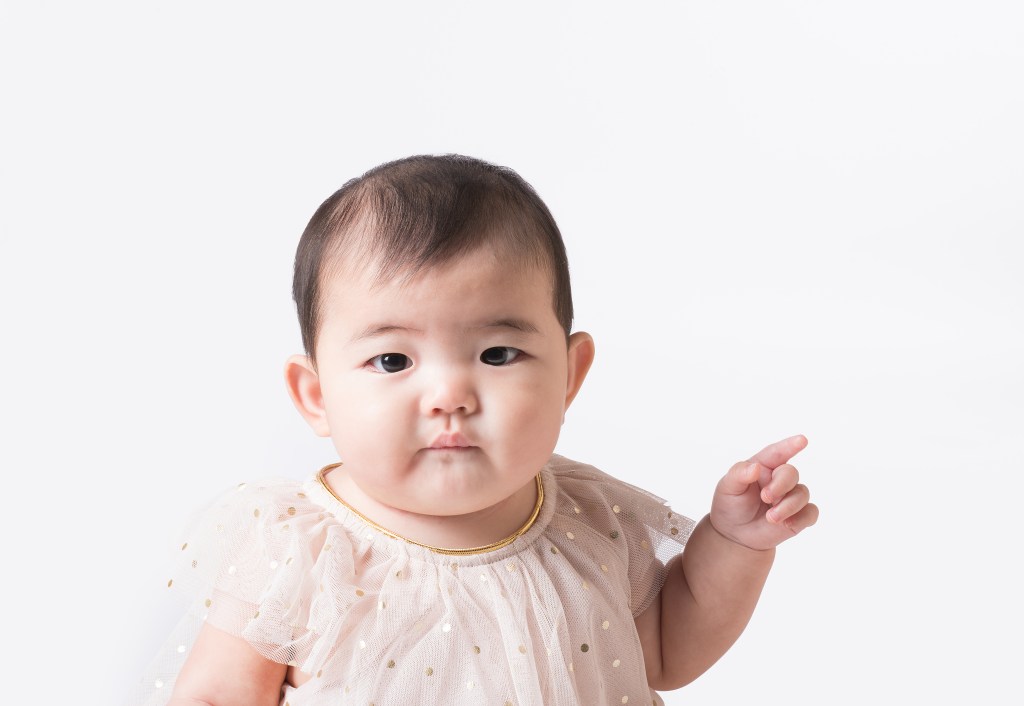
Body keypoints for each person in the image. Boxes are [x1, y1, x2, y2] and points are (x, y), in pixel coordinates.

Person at [130, 154, 818, 706]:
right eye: (393, 360)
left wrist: (735, 543)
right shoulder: (299, 551)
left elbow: (667, 650)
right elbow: (217, 695)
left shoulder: (591, 521)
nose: (450, 396)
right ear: (316, 397)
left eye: (496, 354)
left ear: (569, 375)